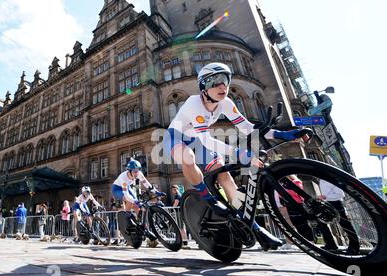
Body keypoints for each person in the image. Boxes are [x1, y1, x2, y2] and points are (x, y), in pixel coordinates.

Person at [161, 62, 306, 249]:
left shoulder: (226, 103)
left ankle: (254, 228)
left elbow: (248, 128)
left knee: (225, 176)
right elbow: (206, 140)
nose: (222, 86)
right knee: (187, 157)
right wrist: (239, 154)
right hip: (176, 137)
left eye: (225, 81)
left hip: (198, 139)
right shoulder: (193, 103)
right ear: (203, 87)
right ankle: (208, 199)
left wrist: (283, 134)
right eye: (215, 82)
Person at [111, 159, 166, 241]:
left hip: (128, 187)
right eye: (134, 171)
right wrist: (135, 201)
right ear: (129, 171)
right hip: (117, 189)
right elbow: (126, 195)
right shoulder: (123, 177)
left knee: (137, 206)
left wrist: (156, 192)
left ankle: (140, 225)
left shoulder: (139, 174)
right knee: (130, 200)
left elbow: (147, 185)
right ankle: (127, 218)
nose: (136, 173)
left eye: (138, 171)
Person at [318, 179, 360, 254]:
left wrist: (325, 197)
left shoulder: (329, 179)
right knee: (321, 222)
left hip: (336, 204)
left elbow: (341, 194)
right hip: (328, 204)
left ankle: (355, 247)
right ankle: (330, 244)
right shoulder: (321, 179)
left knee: (345, 225)